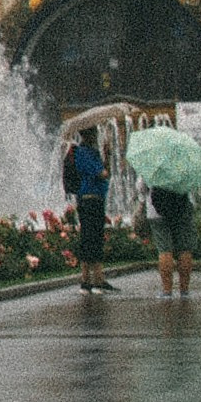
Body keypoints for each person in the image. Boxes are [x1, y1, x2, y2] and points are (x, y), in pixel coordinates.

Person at [63, 126, 113, 295]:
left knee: (93, 238)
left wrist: (107, 155)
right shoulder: (84, 152)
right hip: (90, 199)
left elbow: (104, 172)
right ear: (89, 134)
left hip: (93, 199)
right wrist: (105, 159)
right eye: (95, 133)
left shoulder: (89, 152)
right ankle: (89, 281)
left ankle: (96, 279)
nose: (97, 136)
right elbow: (103, 174)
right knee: (91, 239)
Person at [149, 179, 198, 300]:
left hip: (157, 210)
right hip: (183, 208)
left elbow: (141, 187)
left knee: (164, 250)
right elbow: (192, 184)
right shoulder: (183, 167)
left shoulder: (152, 168)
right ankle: (184, 291)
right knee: (184, 249)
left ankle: (167, 291)